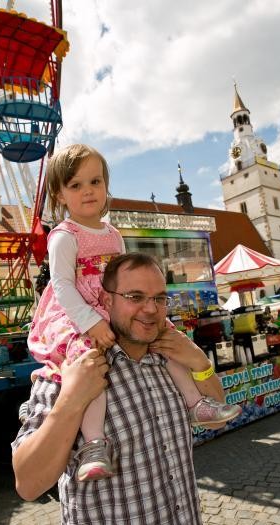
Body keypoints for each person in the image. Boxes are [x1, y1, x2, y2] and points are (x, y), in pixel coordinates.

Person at [13, 252, 230, 525]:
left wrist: (201, 363)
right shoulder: (67, 371)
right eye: (135, 297)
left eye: (159, 298)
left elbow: (215, 415)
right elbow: (28, 483)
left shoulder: (170, 357)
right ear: (103, 299)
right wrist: (71, 399)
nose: (151, 309)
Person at [28, 144, 239, 483]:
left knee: (164, 339)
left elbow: (122, 276)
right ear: (60, 194)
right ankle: (95, 443)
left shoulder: (112, 233)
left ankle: (195, 403)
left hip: (113, 303)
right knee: (90, 363)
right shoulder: (64, 236)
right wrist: (91, 321)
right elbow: (63, 286)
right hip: (79, 312)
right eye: (76, 185)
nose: (88, 191)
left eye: (95, 182)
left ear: (106, 185)